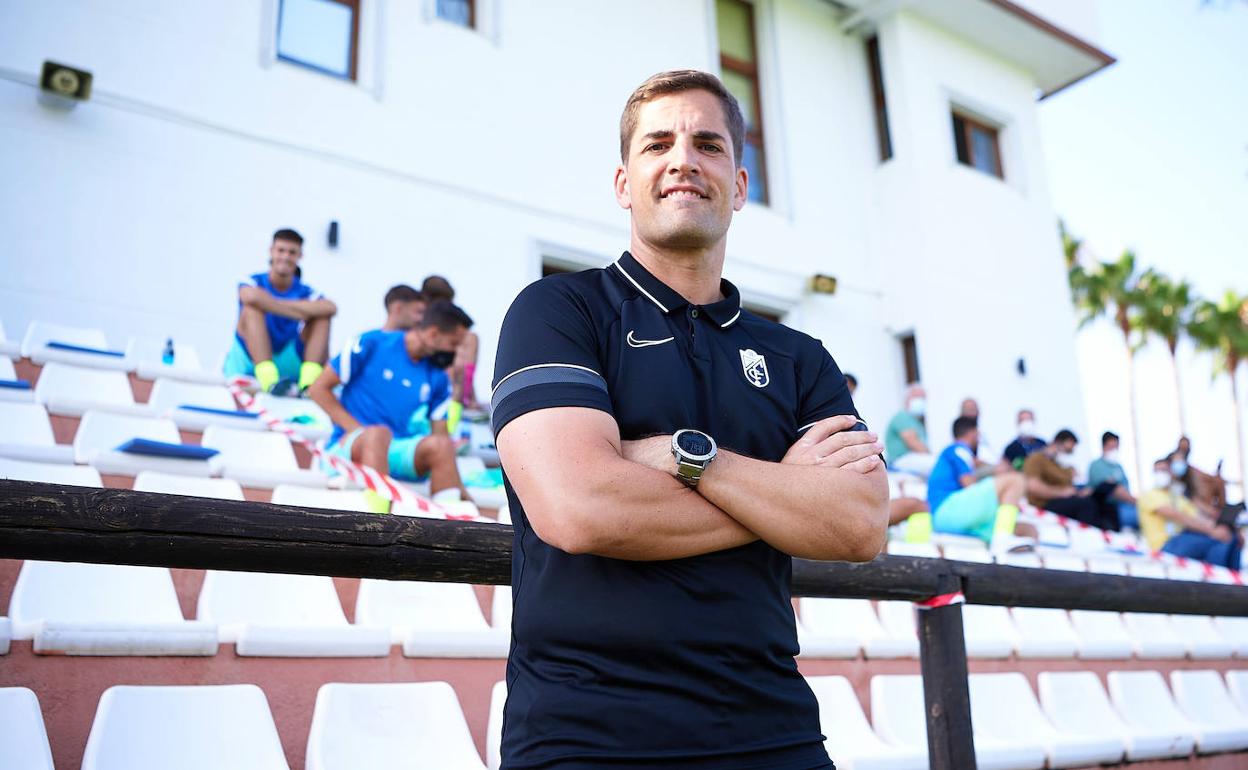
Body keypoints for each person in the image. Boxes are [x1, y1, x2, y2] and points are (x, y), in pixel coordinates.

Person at [491, 69, 888, 770]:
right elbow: (579, 506)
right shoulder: (557, 311)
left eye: (707, 143)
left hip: (776, 731)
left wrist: (686, 456)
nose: (683, 159)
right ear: (623, 185)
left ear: (738, 184)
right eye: (657, 146)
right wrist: (784, 499)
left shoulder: (797, 356)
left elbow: (858, 525)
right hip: (587, 733)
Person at [307, 301, 475, 514]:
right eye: (453, 344)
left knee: (441, 446)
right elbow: (318, 389)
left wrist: (458, 484)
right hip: (348, 448)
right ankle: (378, 522)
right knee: (377, 435)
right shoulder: (371, 343)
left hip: (394, 451)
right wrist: (357, 430)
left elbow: (441, 436)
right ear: (433, 334)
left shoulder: (438, 376)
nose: (455, 352)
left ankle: (453, 529)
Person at [224, 228, 337, 393]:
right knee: (251, 310)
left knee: (322, 317)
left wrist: (269, 303)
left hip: (287, 356)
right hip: (248, 358)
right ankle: (268, 379)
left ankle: (309, 383)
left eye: (292, 252)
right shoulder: (252, 280)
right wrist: (301, 310)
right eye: (281, 250)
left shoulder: (307, 291)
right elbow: (250, 298)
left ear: (300, 256)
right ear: (271, 251)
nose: (285, 256)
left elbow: (330, 307)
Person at [926, 416, 1035, 544]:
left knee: (1028, 530)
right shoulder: (959, 449)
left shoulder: (960, 454)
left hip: (953, 516)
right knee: (1015, 480)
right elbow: (969, 484)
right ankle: (1002, 540)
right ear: (972, 433)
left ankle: (1003, 549)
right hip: (945, 511)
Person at [1138, 456, 1241, 569]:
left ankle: (1233, 580)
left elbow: (1197, 517)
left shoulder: (1178, 498)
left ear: (1171, 473)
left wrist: (1221, 529)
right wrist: (1212, 531)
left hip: (1183, 538)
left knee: (1231, 538)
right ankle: (1220, 581)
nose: (1160, 474)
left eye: (1164, 470)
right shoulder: (1149, 495)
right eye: (1157, 470)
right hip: (1165, 545)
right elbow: (1178, 516)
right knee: (1216, 541)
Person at [1023, 429, 1120, 530]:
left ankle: (1113, 537)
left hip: (1066, 500)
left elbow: (1070, 490)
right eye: (1068, 450)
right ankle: (1088, 537)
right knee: (1085, 505)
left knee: (1105, 504)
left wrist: (1082, 492)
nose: (1069, 453)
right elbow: (1033, 487)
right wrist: (1061, 492)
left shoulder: (1063, 466)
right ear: (1057, 444)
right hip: (1045, 505)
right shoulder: (1036, 459)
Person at [421, 275, 481, 409]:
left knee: (467, 345)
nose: (444, 306)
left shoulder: (452, 316)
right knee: (455, 366)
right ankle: (463, 400)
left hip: (449, 369)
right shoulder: (422, 318)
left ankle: (466, 399)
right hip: (433, 370)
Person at [1087, 431, 1138, 529]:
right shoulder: (1096, 465)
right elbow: (1107, 487)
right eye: (1111, 447)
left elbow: (1125, 487)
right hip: (1106, 506)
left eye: (1116, 447)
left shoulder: (1118, 466)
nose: (1114, 450)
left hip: (1125, 504)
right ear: (1103, 446)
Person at [885, 382, 935, 477]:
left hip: (914, 458)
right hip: (901, 460)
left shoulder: (916, 421)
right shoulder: (902, 416)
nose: (921, 401)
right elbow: (914, 443)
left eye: (923, 398)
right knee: (936, 465)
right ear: (907, 398)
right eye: (917, 397)